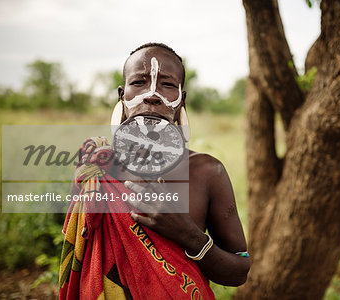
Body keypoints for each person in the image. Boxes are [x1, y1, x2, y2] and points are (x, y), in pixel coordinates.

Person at [59, 43, 250, 299]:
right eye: (138, 82)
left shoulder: (207, 172)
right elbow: (79, 262)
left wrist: (189, 235)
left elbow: (239, 272)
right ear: (122, 95)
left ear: (181, 98)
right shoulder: (94, 169)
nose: (151, 95)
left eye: (168, 85)